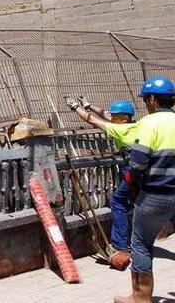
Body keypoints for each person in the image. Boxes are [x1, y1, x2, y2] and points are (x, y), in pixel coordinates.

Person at [103, 77, 175, 303]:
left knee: (141, 244)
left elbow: (137, 164)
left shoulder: (148, 123)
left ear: (152, 99)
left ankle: (140, 298)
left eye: (146, 99)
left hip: (155, 194)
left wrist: (135, 183)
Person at [65, 96, 137, 270]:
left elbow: (93, 120)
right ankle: (134, 242)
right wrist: (90, 106)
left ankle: (120, 245)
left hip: (133, 170)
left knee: (118, 202)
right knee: (133, 204)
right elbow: (106, 115)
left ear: (125, 118)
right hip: (145, 169)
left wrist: (76, 108)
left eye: (118, 118)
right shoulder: (137, 125)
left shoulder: (120, 130)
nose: (114, 120)